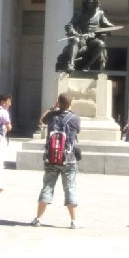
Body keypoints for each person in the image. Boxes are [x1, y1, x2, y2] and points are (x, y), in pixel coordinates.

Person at [31, 92, 83, 229]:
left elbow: (41, 120)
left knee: (47, 186)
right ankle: (74, 221)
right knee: (70, 188)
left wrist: (52, 107)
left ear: (58, 103)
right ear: (71, 103)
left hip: (51, 158)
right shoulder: (75, 118)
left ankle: (38, 219)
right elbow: (77, 131)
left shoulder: (52, 116)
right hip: (69, 158)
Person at [55, 0, 116, 73]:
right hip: (81, 38)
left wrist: (110, 28)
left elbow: (108, 26)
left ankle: (87, 66)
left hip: (93, 39)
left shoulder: (100, 14)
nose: (90, 5)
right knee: (75, 41)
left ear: (95, 4)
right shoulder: (79, 14)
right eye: (88, 3)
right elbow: (69, 25)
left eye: (92, 3)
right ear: (85, 4)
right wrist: (74, 32)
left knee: (101, 44)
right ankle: (71, 65)